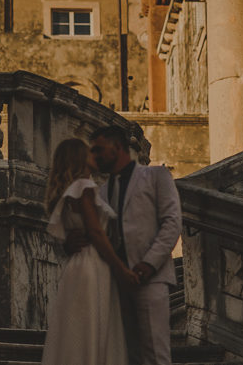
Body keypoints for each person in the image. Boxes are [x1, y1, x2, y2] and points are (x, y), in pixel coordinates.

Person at [81, 125, 182, 365]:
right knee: (125, 356)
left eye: (99, 150)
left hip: (152, 278)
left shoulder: (156, 176)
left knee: (156, 355)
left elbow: (172, 222)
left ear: (117, 147)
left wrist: (149, 264)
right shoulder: (102, 191)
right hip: (117, 282)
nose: (94, 157)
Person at [42, 138, 138, 365]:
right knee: (92, 329)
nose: (95, 156)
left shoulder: (72, 190)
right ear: (79, 158)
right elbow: (95, 232)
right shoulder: (84, 187)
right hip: (92, 265)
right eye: (89, 153)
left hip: (77, 265)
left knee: (78, 331)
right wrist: (120, 268)